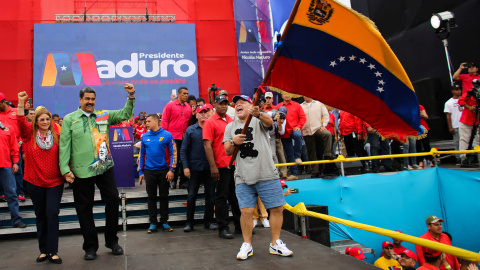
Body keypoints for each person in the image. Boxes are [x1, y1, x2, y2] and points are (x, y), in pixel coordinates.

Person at [59, 84, 135, 260]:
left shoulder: (103, 116)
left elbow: (125, 114)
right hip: (81, 171)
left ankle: (112, 241)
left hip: (104, 166)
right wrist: (65, 170)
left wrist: (131, 95)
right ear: (80, 100)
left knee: (113, 201)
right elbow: (64, 146)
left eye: (92, 99)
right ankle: (90, 247)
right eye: (87, 99)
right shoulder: (70, 119)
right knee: (84, 209)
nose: (90, 102)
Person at [224, 95, 292, 260]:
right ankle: (247, 244)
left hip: (266, 173)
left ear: (250, 106)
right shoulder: (230, 126)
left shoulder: (257, 120)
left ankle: (275, 243)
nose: (238, 105)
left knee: (276, 208)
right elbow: (227, 150)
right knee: (245, 211)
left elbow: (269, 122)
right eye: (236, 104)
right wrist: (233, 142)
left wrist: (259, 113)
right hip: (243, 175)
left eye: (242, 103)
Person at [16, 91, 69, 264]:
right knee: (40, 215)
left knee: (52, 214)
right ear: (36, 122)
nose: (45, 122)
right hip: (34, 181)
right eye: (42, 119)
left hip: (54, 182)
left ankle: (53, 251)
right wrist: (21, 103)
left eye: (47, 119)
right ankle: (43, 250)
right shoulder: (29, 136)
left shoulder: (57, 136)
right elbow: (19, 121)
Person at [203, 94, 241, 239]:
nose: (224, 106)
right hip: (220, 165)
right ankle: (223, 227)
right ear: (215, 105)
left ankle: (239, 225)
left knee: (236, 197)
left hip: (235, 164)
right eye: (221, 104)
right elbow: (207, 145)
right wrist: (213, 166)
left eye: (226, 104)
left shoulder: (231, 120)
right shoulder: (210, 122)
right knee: (221, 197)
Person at [181, 105, 217, 232]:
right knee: (191, 196)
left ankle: (209, 221)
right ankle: (189, 222)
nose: (203, 115)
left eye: (205, 112)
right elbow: (184, 150)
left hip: (210, 168)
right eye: (200, 113)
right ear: (196, 115)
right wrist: (185, 167)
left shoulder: (212, 128)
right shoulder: (190, 130)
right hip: (194, 168)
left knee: (211, 196)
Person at [139, 114, 176, 233]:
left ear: (156, 121)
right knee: (151, 197)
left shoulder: (167, 135)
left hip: (163, 171)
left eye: (149, 121)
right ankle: (153, 223)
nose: (146, 123)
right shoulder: (144, 137)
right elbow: (141, 154)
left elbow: (173, 153)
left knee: (164, 196)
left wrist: (172, 170)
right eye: (146, 121)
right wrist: (141, 171)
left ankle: (164, 222)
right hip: (149, 171)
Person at [161, 86, 192, 189]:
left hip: (185, 137)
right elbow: (164, 121)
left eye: (187, 94)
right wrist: (164, 136)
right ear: (179, 94)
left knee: (185, 159)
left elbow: (189, 123)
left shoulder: (188, 107)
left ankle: (183, 182)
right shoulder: (170, 106)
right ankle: (173, 180)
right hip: (173, 137)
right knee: (175, 159)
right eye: (184, 94)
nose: (186, 95)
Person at [0, 113, 26, 229]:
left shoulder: (7, 128)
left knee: (11, 192)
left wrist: (15, 162)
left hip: (6, 165)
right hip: (5, 166)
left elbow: (14, 147)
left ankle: (16, 219)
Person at [0, 92, 25, 202]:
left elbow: (23, 127)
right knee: (2, 170)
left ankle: (20, 192)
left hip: (16, 145)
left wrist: (20, 141)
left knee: (17, 169)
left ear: (4, 102)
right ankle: (3, 193)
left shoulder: (15, 112)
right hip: (3, 147)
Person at [301, 97, 332, 177]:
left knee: (327, 134)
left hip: (317, 129)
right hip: (306, 131)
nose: (306, 96)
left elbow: (326, 115)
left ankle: (327, 154)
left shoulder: (319, 103)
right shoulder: (300, 106)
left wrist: (324, 125)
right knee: (311, 153)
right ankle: (315, 172)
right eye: (304, 95)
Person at [277, 93, 306, 179]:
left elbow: (303, 118)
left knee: (298, 135)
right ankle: (294, 174)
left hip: (294, 129)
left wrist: (299, 126)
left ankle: (298, 156)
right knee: (289, 153)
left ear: (292, 96)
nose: (287, 95)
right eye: (285, 94)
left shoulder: (297, 105)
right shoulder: (278, 106)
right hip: (284, 132)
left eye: (288, 94)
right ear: (282, 96)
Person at [444, 85, 463, 164]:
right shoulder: (449, 102)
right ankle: (459, 159)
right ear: (452, 91)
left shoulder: (465, 99)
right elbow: (448, 115)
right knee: (457, 142)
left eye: (459, 90)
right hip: (456, 125)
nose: (458, 91)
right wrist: (450, 127)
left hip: (465, 124)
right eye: (456, 90)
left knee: (467, 142)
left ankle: (469, 158)